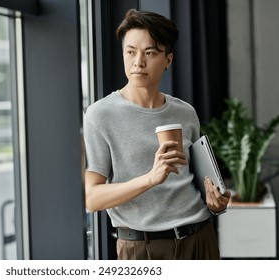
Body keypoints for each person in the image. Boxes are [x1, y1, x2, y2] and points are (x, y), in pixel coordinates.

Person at [83, 9, 231, 260]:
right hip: (143, 248)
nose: (138, 62)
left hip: (200, 239)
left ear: (168, 60)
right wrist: (151, 178)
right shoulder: (100, 115)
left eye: (150, 53)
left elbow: (195, 180)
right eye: (130, 52)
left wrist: (215, 202)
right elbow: (92, 198)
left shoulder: (185, 113)